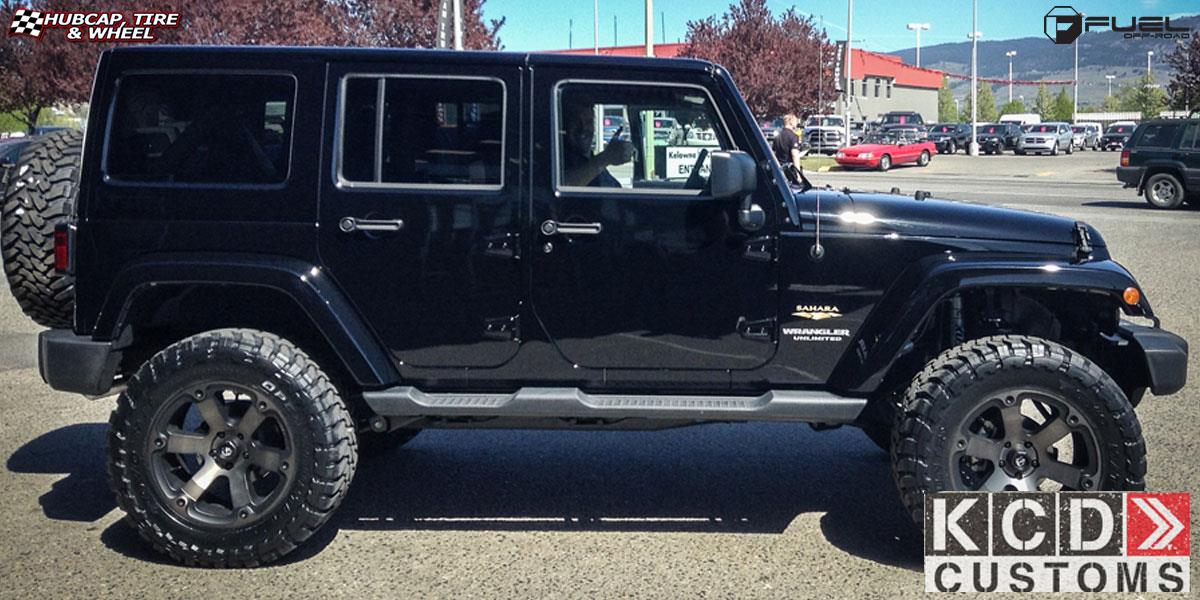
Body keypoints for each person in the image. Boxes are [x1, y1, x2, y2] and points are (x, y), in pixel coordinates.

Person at [561, 101, 633, 187]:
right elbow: (565, 186)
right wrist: (605, 158)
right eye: (576, 122)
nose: (583, 128)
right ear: (564, 126)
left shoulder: (590, 160)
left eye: (588, 122)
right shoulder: (558, 159)